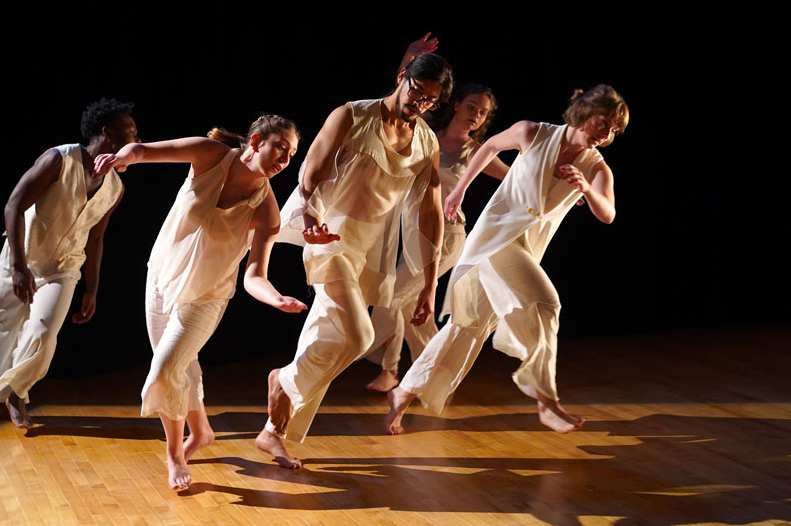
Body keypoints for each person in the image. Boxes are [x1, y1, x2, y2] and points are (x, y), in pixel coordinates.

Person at [385, 84, 629, 434]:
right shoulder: (533, 132)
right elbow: (489, 146)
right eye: (604, 123)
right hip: (494, 240)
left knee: (466, 328)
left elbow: (608, 214)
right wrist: (459, 188)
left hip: (527, 249)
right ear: (585, 114)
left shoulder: (597, 168)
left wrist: (586, 189)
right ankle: (547, 400)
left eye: (614, 131)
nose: (606, 135)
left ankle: (403, 393)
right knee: (547, 303)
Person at [255, 53, 453, 469]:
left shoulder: (426, 143)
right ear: (402, 77)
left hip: (372, 248)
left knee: (323, 339)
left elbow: (430, 212)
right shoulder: (351, 115)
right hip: (330, 234)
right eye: (417, 92)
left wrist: (431, 282)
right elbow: (310, 171)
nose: (420, 103)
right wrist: (310, 219)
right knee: (360, 337)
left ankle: (273, 433)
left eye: (431, 101)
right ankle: (283, 381)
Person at [93, 115, 308, 491]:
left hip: (206, 298)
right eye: (280, 148)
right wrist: (124, 156)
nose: (284, 159)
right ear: (256, 141)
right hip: (160, 279)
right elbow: (144, 151)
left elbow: (254, 275)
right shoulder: (210, 155)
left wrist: (276, 298)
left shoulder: (266, 210)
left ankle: (175, 453)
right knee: (182, 366)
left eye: (291, 155)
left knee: (164, 371)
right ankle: (202, 431)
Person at [0, 98, 136, 429]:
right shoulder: (58, 159)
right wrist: (18, 266)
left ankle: (16, 393)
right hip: (22, 256)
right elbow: (13, 206)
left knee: (43, 331)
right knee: (3, 329)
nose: (138, 139)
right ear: (108, 133)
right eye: (131, 131)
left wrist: (93, 289)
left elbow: (97, 238)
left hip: (64, 267)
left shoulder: (115, 187)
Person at [364, 39, 508, 392]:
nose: (476, 115)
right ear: (456, 104)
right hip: (412, 228)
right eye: (471, 106)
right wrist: (411, 56)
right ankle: (430, 373)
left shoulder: (478, 151)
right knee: (413, 310)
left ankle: (387, 368)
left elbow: (516, 178)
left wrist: (565, 186)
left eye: (483, 113)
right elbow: (399, 97)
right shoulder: (426, 130)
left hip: (447, 236)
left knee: (393, 296)